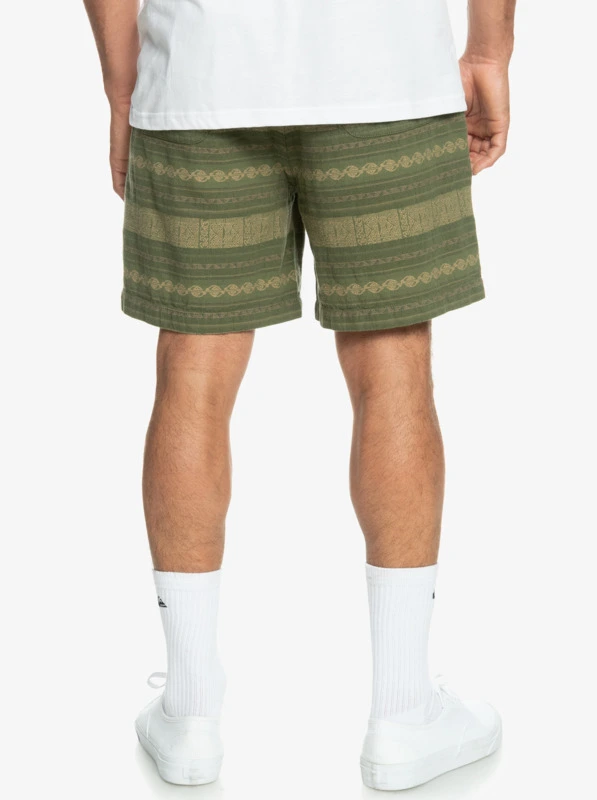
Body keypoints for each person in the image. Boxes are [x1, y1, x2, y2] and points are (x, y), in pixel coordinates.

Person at [84, 0, 515, 789]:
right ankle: (403, 714)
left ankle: (189, 715)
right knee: (393, 360)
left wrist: (124, 85)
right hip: (385, 72)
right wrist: (490, 49)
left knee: (192, 364)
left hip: (200, 71)